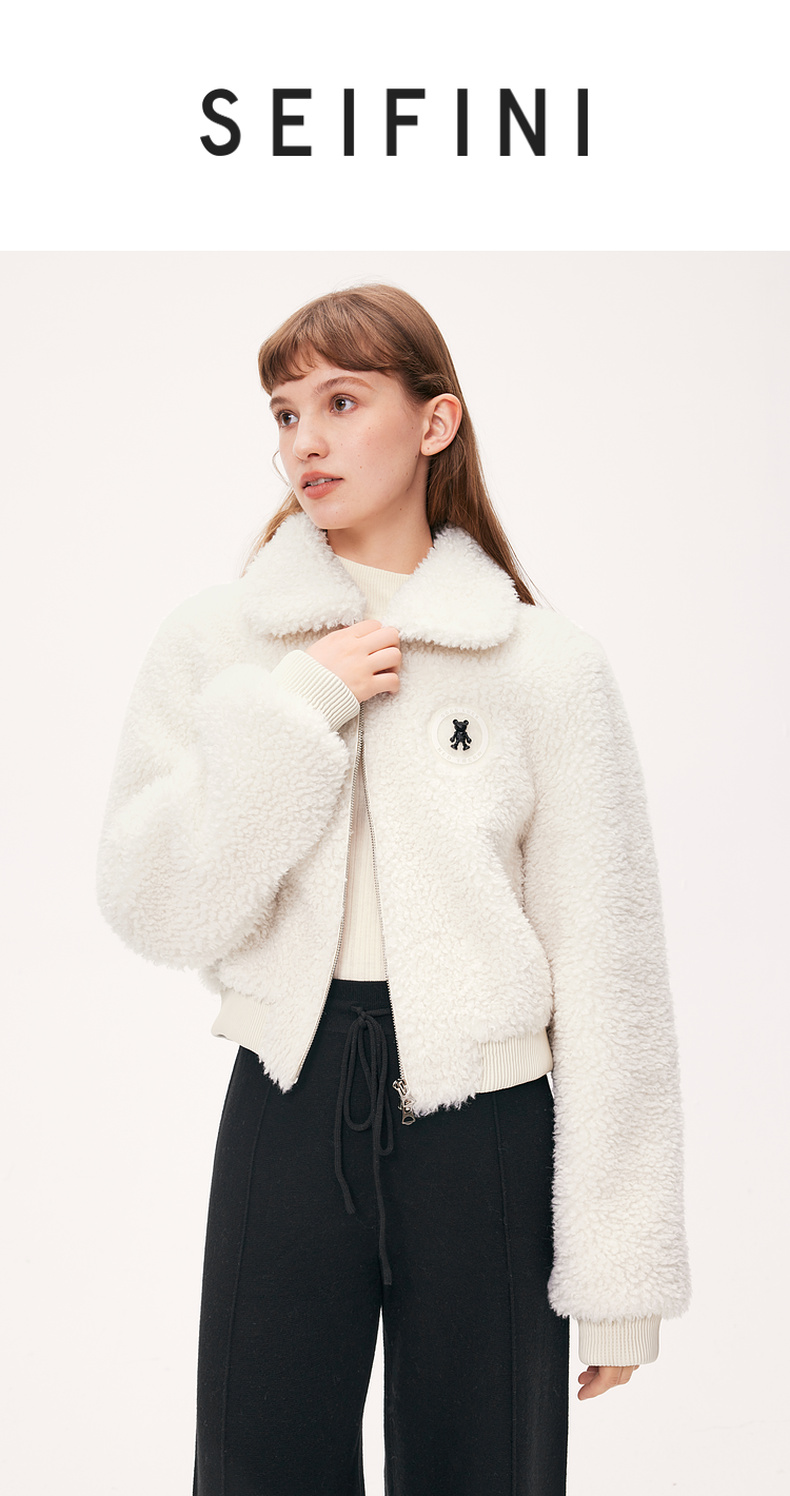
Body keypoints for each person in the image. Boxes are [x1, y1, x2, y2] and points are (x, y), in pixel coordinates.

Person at [95, 282, 691, 1496]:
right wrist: (297, 706)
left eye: (341, 401)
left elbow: (609, 966)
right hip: (289, 1092)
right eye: (284, 412)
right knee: (257, 1466)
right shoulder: (222, 642)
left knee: (488, 1467)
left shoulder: (544, 664)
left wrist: (619, 1271)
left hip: (487, 1118)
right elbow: (153, 902)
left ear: (434, 421)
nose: (303, 439)